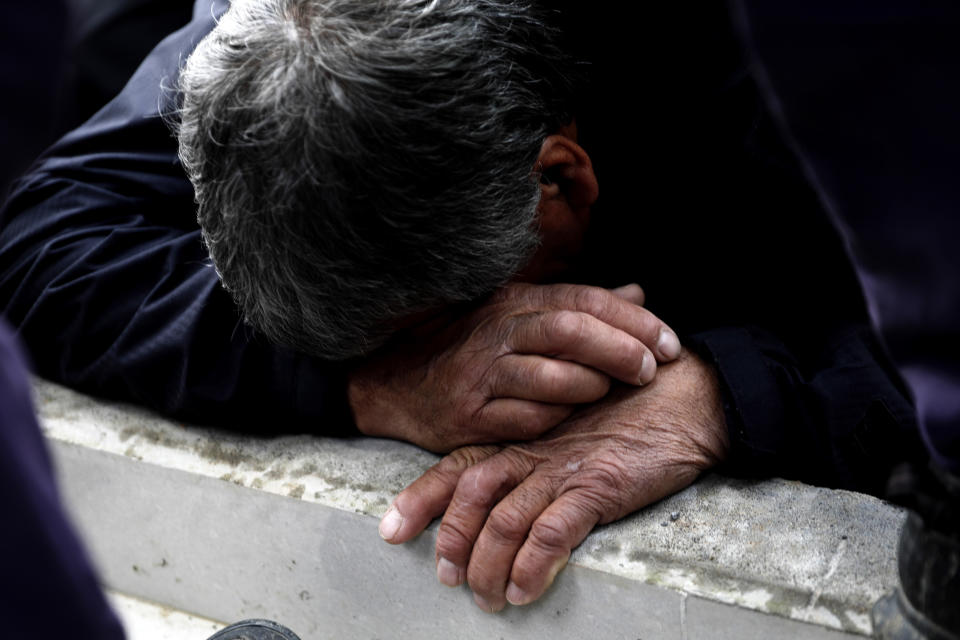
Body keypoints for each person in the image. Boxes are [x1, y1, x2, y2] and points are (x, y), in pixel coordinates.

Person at [0, 0, 925, 615]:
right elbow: (42, 240)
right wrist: (372, 385)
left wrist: (729, 397)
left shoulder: (822, 47)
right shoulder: (288, 35)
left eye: (441, 326)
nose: (470, 377)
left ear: (558, 179)